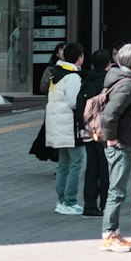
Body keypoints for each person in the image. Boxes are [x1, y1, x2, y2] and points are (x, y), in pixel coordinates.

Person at [100, 43, 131, 253]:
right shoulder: (128, 84)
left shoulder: (122, 79)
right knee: (116, 191)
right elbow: (110, 115)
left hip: (124, 141)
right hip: (121, 143)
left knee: (117, 190)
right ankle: (109, 235)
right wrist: (112, 139)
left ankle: (114, 233)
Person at [45, 42, 86, 215]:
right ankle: (69, 201)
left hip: (58, 125)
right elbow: (74, 102)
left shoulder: (56, 73)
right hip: (69, 126)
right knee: (78, 162)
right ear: (80, 58)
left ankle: (61, 201)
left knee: (63, 164)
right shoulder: (72, 77)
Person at [79, 48, 111, 216]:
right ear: (108, 64)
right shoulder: (108, 83)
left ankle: (89, 205)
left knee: (91, 167)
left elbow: (79, 107)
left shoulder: (86, 81)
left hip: (88, 131)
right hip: (104, 131)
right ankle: (106, 204)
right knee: (105, 168)